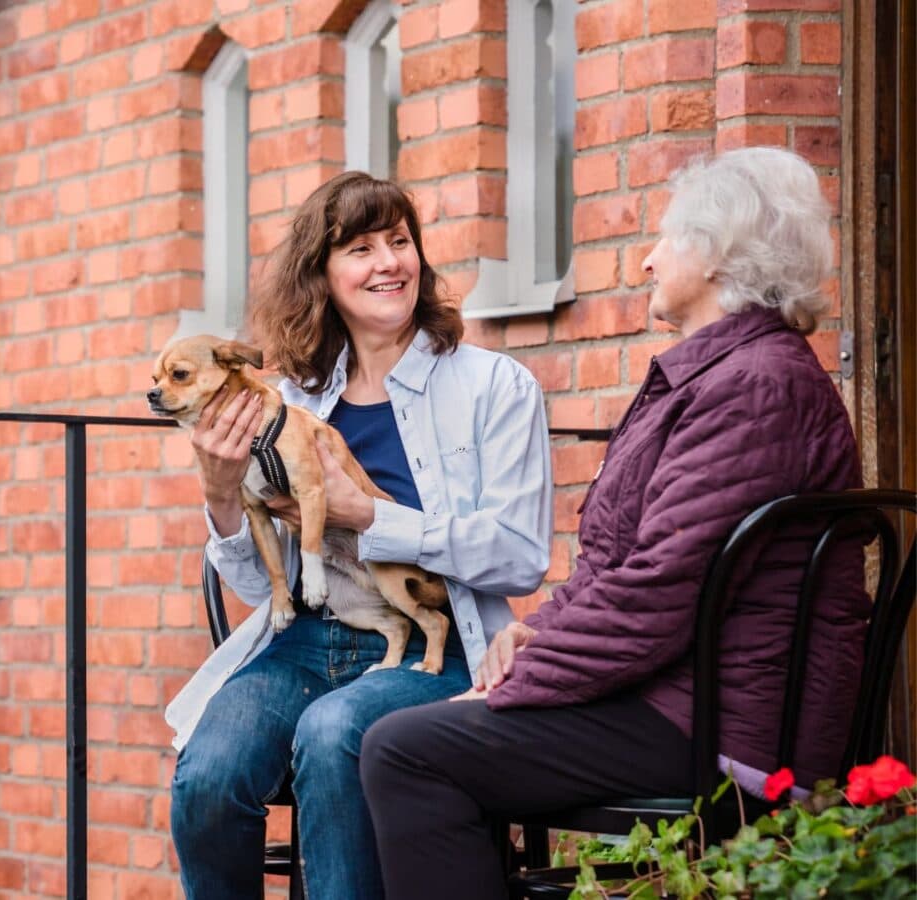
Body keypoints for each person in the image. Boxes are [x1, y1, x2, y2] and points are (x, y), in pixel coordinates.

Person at [359, 147, 869, 900]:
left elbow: (660, 591)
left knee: (408, 750)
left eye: (667, 238)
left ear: (718, 256)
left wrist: (514, 684)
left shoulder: (754, 390)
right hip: (680, 697)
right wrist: (535, 633)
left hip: (724, 725)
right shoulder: (726, 376)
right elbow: (620, 565)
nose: (647, 260)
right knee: (419, 738)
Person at [165, 171, 553, 900]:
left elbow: (520, 557)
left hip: (442, 646)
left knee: (334, 733)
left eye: (399, 242)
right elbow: (255, 584)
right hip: (305, 642)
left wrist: (369, 516)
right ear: (323, 277)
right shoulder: (288, 401)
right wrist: (220, 492)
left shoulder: (494, 386)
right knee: (212, 770)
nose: (388, 264)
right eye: (361, 249)